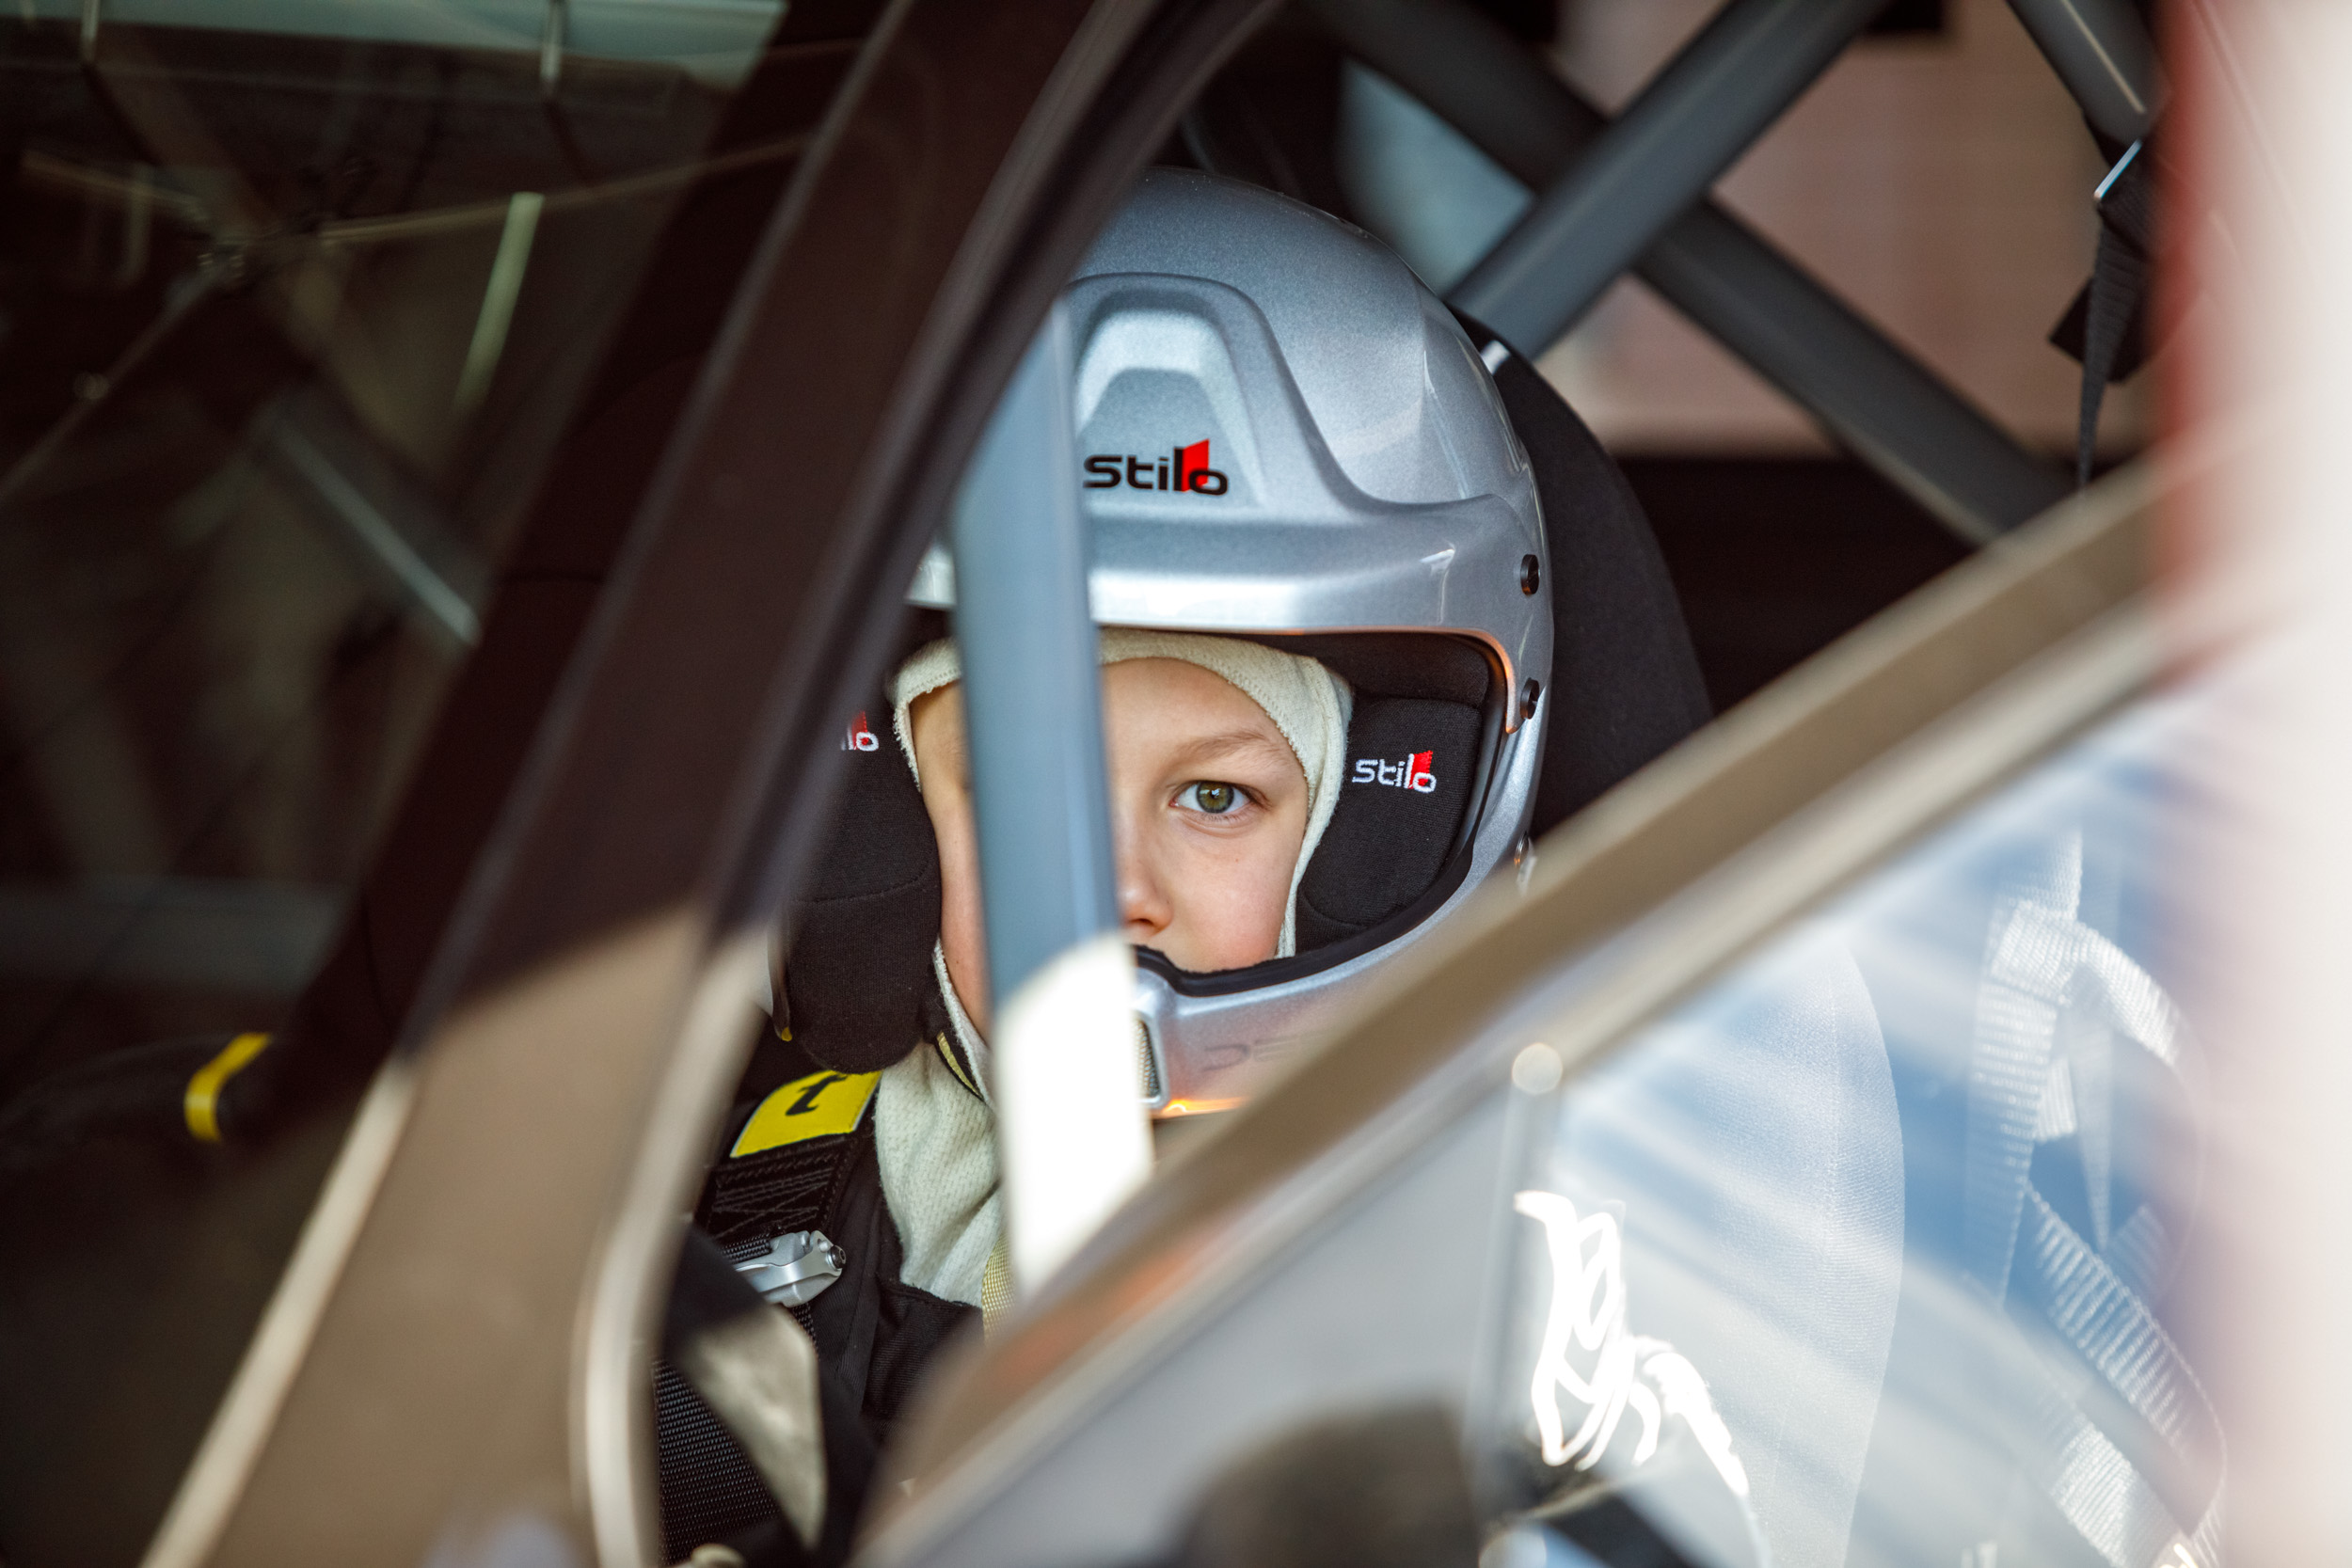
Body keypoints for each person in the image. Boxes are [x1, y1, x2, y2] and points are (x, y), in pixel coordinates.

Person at [655, 167, 1710, 1566]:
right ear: (881, 821)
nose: (1110, 890)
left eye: (1216, 798)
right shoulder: (718, 1192)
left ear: (1382, 833)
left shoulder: (1532, 1283)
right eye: (1022, 787)